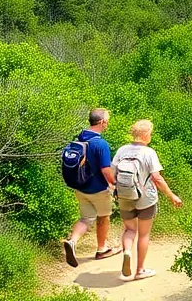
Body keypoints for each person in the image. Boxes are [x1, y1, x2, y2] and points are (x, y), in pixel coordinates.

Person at [111, 119, 182, 281]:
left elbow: (112, 172)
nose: (151, 136)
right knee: (144, 235)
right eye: (150, 133)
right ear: (145, 135)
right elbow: (157, 178)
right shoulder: (149, 152)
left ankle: (127, 252)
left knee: (129, 230)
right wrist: (172, 196)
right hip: (146, 199)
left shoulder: (122, 150)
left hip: (125, 197)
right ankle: (140, 270)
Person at [62, 108, 119, 268]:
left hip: (80, 187)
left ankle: (72, 241)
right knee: (104, 217)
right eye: (106, 121)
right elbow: (106, 170)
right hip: (98, 190)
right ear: (102, 122)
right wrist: (114, 184)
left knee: (85, 219)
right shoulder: (100, 144)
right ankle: (102, 249)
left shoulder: (79, 137)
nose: (107, 124)